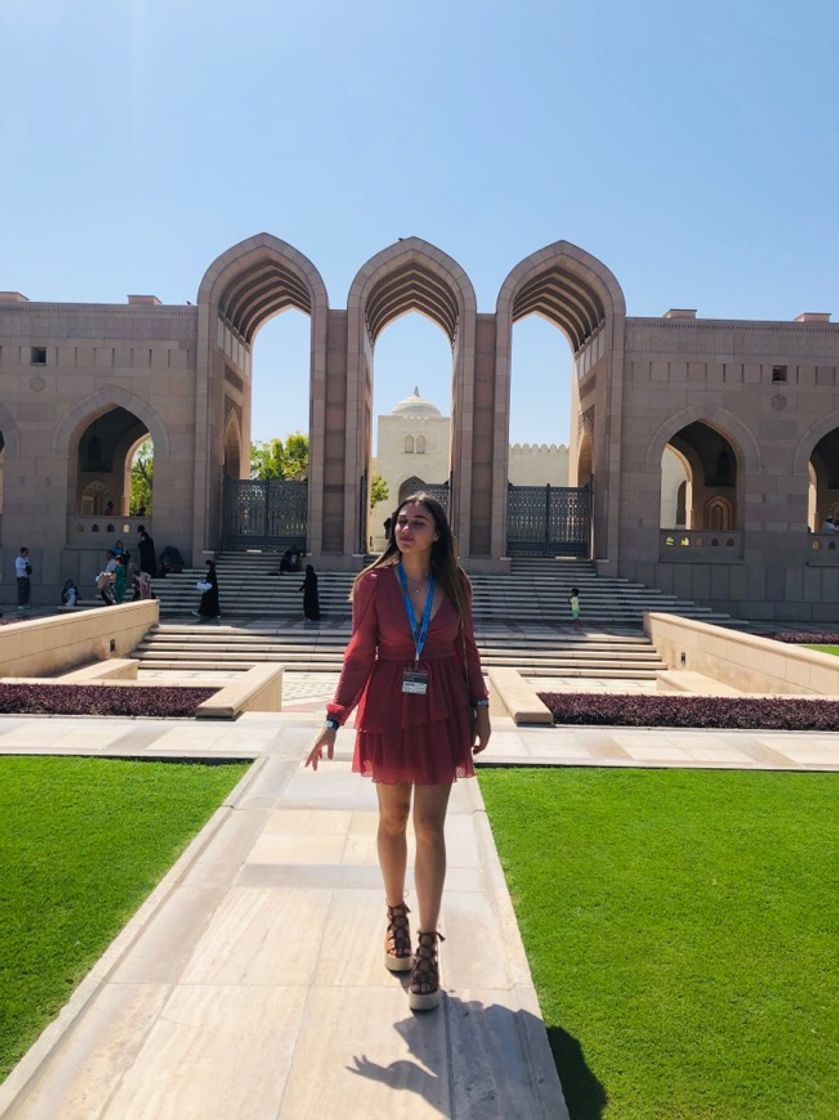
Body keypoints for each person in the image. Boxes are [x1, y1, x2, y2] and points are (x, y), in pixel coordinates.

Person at [305, 492, 491, 1011]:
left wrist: (481, 705)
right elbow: (359, 652)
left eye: (418, 522)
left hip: (442, 705)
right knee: (393, 819)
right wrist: (333, 718)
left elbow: (466, 647)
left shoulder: (456, 582)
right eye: (401, 521)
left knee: (430, 826)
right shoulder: (372, 583)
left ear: (437, 533)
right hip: (389, 703)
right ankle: (396, 917)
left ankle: (429, 945)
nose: (406, 529)